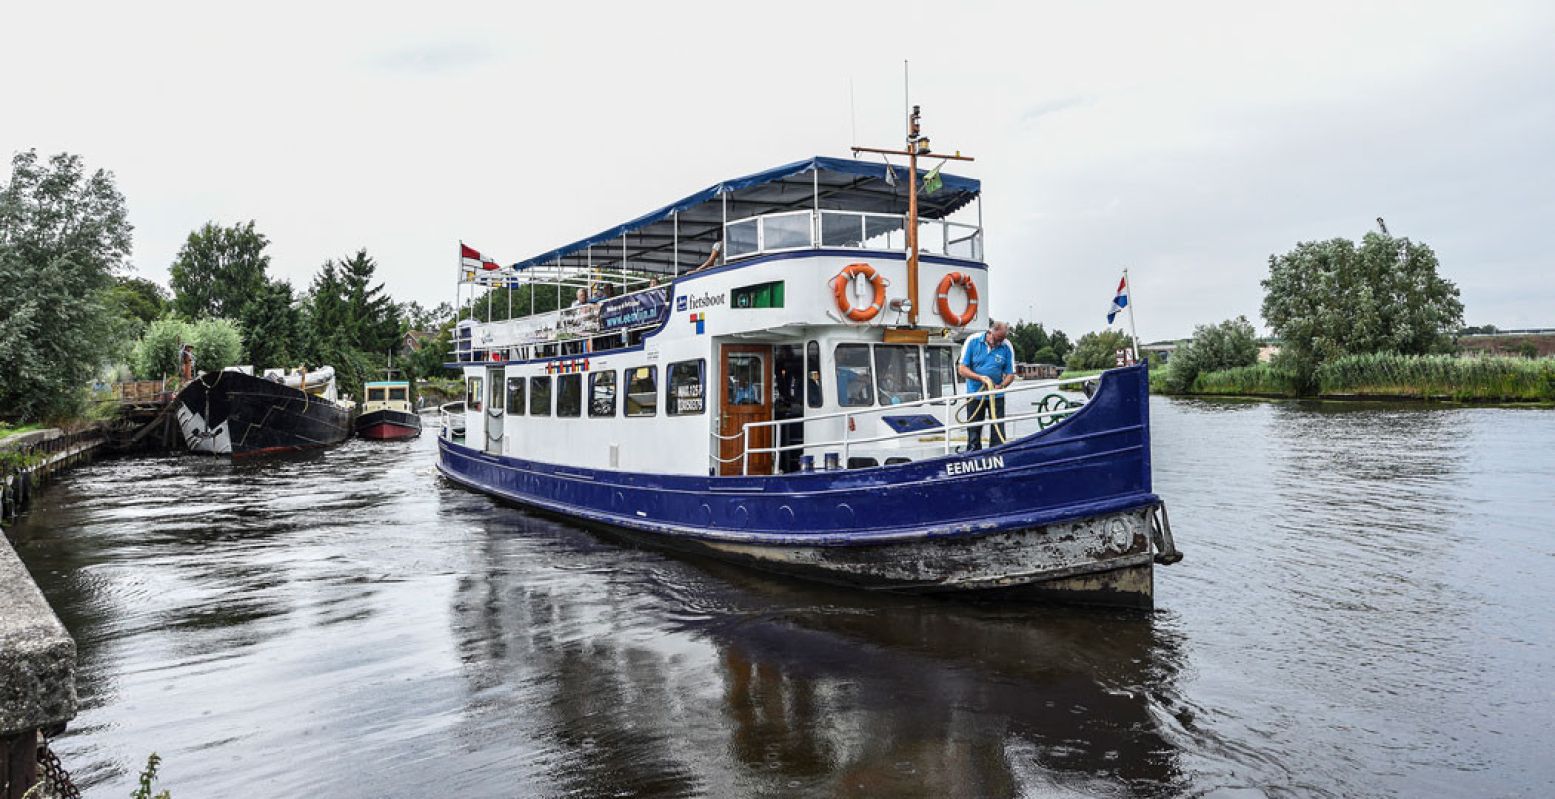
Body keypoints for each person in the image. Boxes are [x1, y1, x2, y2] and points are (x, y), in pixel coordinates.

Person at [957, 321, 1016, 451]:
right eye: (997, 339)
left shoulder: (1006, 346)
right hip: (975, 393)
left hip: (996, 394)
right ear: (990, 332)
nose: (999, 342)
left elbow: (1011, 373)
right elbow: (961, 369)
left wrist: (1002, 385)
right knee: (974, 427)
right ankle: (973, 452)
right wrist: (979, 378)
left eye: (1002, 339)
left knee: (998, 427)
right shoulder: (972, 341)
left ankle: (997, 452)